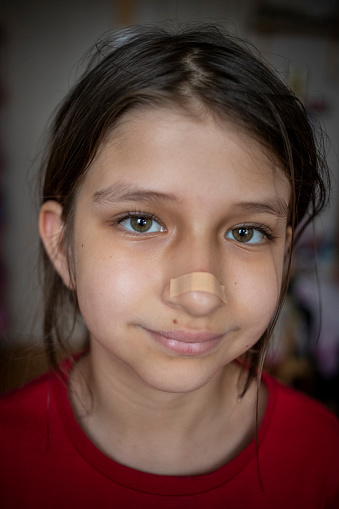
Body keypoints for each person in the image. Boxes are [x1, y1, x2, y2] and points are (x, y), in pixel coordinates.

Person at [1, 24, 338, 508]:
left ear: (284, 253)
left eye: (247, 232)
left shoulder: (323, 459)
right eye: (140, 221)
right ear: (62, 245)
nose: (198, 294)